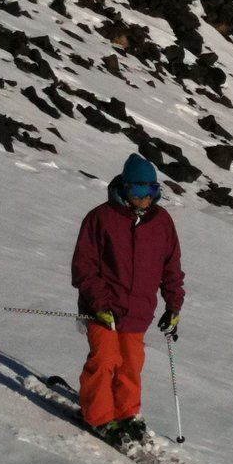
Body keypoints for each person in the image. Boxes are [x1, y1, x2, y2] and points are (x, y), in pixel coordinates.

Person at [70, 153, 185, 443]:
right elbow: (84, 267)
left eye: (152, 190)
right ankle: (98, 417)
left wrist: (174, 306)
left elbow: (171, 267)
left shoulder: (162, 223)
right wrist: (100, 304)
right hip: (101, 309)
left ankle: (126, 413)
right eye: (138, 190)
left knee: (131, 364)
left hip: (138, 312)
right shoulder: (100, 219)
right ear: (125, 188)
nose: (145, 198)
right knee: (105, 359)